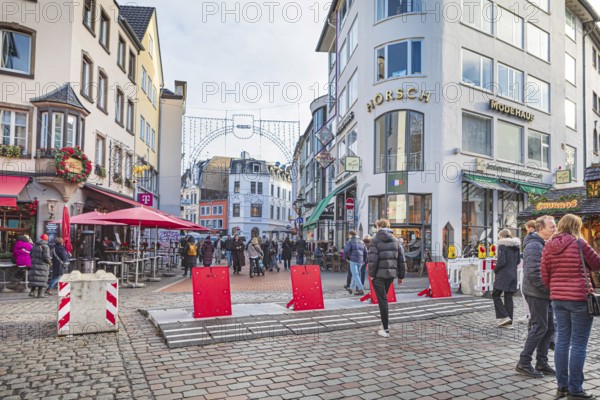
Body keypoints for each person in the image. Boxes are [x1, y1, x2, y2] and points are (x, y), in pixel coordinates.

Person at [541, 214, 600, 400]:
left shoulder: (548, 245)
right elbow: (597, 263)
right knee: (579, 344)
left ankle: (562, 387)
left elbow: (544, 274)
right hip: (579, 299)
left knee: (562, 341)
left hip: (558, 299)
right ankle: (575, 389)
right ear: (576, 226)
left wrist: (556, 287)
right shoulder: (580, 243)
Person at [516, 215, 557, 379]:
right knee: (539, 327)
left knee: (550, 328)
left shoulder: (542, 243)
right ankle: (524, 363)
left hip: (543, 292)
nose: (555, 229)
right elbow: (534, 273)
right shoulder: (534, 245)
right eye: (552, 226)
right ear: (541, 229)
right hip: (536, 292)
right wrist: (549, 290)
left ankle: (541, 362)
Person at [368, 219, 405, 338]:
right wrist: (401, 276)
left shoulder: (375, 240)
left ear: (379, 226)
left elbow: (373, 260)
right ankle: (383, 324)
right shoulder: (396, 240)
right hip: (390, 275)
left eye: (376, 226)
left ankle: (385, 329)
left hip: (378, 275)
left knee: (383, 302)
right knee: (384, 300)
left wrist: (372, 274)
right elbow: (401, 259)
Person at [492, 229, 521, 328]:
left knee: (495, 295)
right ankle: (509, 322)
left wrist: (495, 269)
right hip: (513, 274)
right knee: (508, 297)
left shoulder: (502, 245)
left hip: (503, 275)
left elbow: (501, 261)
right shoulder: (516, 246)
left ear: (501, 236)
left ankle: (504, 317)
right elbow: (517, 261)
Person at [344, 230, 368, 296]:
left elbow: (346, 250)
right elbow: (365, 252)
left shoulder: (350, 241)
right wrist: (364, 260)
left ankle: (361, 289)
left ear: (351, 235)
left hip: (353, 260)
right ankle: (351, 288)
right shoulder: (362, 241)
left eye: (349, 235)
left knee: (355, 275)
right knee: (356, 274)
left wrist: (346, 258)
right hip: (360, 260)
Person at [28, 234, 51, 298]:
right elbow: (46, 257)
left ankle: (32, 292)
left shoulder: (34, 245)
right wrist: (50, 262)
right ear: (46, 240)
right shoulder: (45, 247)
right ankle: (40, 294)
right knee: (41, 279)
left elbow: (31, 255)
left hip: (34, 264)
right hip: (42, 266)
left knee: (35, 279)